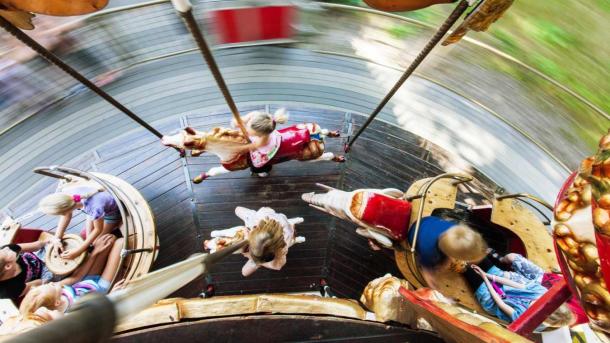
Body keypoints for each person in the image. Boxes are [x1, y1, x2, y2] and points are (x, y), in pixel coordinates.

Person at [18, 234, 123, 319]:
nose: (51, 283)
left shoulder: (53, 293)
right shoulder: (73, 313)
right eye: (53, 285)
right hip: (101, 288)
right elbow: (99, 309)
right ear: (57, 302)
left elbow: (77, 277)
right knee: (120, 243)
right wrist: (112, 295)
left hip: (87, 281)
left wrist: (95, 253)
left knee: (109, 239)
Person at [469, 253, 574, 328]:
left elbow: (500, 304)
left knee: (466, 269)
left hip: (491, 299)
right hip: (502, 285)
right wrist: (488, 275)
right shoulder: (541, 293)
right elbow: (514, 284)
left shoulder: (525, 319)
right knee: (478, 255)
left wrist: (485, 278)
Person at [38, 187, 121, 260]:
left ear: (65, 211)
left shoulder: (94, 208)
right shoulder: (67, 196)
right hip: (94, 211)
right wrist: (57, 238)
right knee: (88, 237)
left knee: (96, 242)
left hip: (111, 213)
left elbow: (98, 229)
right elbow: (66, 216)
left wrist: (79, 251)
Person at [407, 216, 488, 289]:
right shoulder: (429, 252)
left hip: (426, 221)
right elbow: (425, 268)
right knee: (436, 266)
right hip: (414, 235)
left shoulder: (455, 229)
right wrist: (430, 277)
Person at [234, 207, 304, 277]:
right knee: (237, 210)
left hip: (277, 245)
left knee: (244, 272)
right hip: (272, 228)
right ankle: (294, 223)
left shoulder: (283, 247)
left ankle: (296, 239)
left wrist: (255, 260)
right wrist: (247, 233)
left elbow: (278, 266)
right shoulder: (260, 216)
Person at [232, 108, 289, 177]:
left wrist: (240, 148)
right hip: (255, 138)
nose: (247, 130)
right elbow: (242, 120)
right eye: (248, 126)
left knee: (259, 160)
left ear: (259, 135)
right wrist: (237, 122)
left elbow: (255, 146)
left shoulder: (265, 138)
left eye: (252, 133)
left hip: (261, 146)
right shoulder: (254, 115)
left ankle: (262, 169)